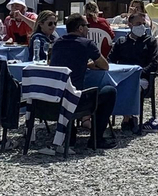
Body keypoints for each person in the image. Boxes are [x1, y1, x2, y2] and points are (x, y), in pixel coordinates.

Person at [46, 13, 116, 152]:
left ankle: (70, 135)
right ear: (80, 28)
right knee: (109, 92)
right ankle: (96, 138)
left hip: (54, 98)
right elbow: (104, 65)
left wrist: (84, 64)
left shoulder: (57, 43)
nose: (88, 29)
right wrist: (89, 64)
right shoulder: (86, 44)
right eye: (86, 26)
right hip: (75, 100)